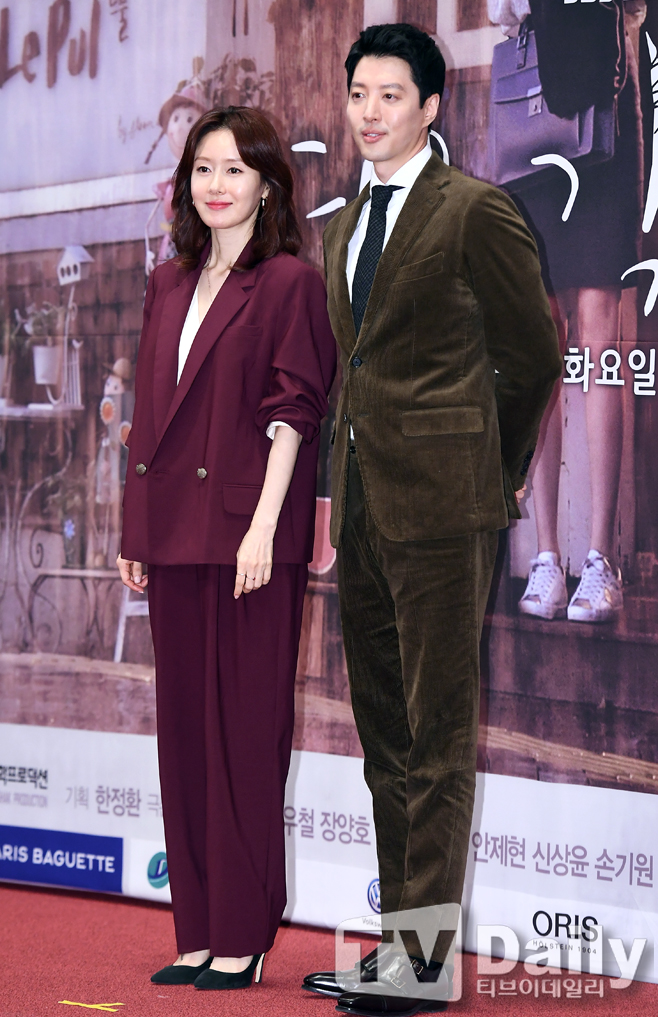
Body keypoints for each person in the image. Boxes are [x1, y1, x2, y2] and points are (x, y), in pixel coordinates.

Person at [301, 23, 561, 1017]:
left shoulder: (473, 211)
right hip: (366, 513)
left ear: (431, 107)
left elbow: (532, 357)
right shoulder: (344, 225)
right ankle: (399, 951)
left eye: (390, 95)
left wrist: (487, 478)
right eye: (358, 94)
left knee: (438, 738)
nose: (368, 112)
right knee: (387, 739)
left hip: (446, 512)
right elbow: (356, 371)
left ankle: (422, 964)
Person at [118, 106, 336, 990]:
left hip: (251, 535)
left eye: (235, 169)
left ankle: (243, 933)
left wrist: (265, 529)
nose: (216, 185)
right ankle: (199, 929)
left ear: (267, 186)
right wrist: (135, 528)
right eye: (203, 169)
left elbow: (294, 413)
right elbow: (149, 412)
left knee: (246, 732)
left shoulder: (288, 283)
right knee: (183, 737)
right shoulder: (166, 282)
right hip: (173, 531)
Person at [488, 0, 646, 623]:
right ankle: (547, 554)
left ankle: (601, 558)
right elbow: (501, 12)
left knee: (599, 340)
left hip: (604, 110)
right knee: (540, 341)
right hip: (534, 127)